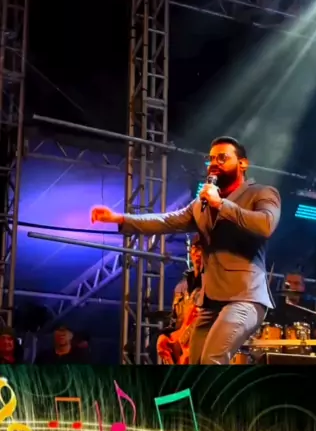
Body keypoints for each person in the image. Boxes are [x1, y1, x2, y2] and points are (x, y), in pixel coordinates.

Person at [91, 136, 281, 364]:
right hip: (211, 301)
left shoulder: (261, 193)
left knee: (212, 359)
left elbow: (266, 224)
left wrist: (221, 204)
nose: (214, 163)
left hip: (245, 297)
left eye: (222, 158)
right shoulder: (201, 205)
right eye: (211, 159)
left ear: (243, 163)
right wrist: (120, 218)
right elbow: (166, 221)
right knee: (193, 363)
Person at [157, 236, 203, 364]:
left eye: (202, 249)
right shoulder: (181, 287)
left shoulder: (215, 286)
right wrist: (165, 336)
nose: (198, 253)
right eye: (195, 248)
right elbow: (175, 322)